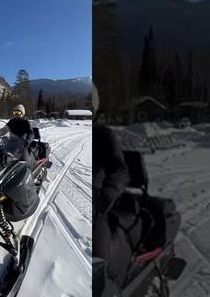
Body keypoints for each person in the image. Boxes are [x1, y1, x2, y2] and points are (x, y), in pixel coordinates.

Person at [93, 84, 132, 292]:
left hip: (99, 204)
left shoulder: (104, 135)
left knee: (99, 265)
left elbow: (120, 169)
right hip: (86, 199)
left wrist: (110, 190)